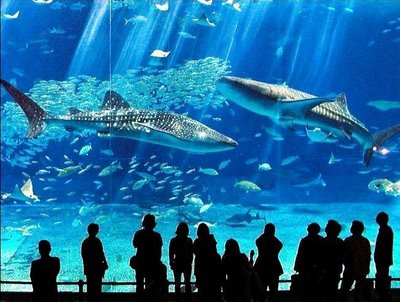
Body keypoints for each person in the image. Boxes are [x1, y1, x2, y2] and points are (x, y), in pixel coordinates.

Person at [339, 220, 371, 302]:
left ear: (352, 229)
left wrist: (345, 263)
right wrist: (367, 268)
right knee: (358, 291)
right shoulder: (366, 241)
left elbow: (344, 255)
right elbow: (368, 256)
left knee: (344, 289)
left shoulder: (348, 240)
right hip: (362, 268)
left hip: (350, 268)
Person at [133, 213, 163, 300]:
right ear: (154, 224)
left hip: (140, 262)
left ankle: (139, 299)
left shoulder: (138, 233)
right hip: (152, 263)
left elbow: (135, 244)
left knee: (139, 284)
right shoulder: (157, 236)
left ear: (143, 222)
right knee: (150, 284)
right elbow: (159, 250)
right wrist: (158, 262)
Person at [293, 222, 324, 302]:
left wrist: (297, 268)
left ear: (308, 230)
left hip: (305, 270)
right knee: (317, 291)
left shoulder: (304, 240)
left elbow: (299, 255)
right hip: (318, 270)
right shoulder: (321, 240)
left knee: (306, 293)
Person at [254, 223, 283, 302]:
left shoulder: (260, 241)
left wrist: (265, 235)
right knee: (274, 290)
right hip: (274, 267)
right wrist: (272, 237)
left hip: (261, 266)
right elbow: (280, 244)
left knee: (261, 289)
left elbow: (258, 240)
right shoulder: (276, 243)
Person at [193, 223, 222, 302]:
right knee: (212, 290)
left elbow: (195, 252)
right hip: (212, 270)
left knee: (202, 291)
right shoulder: (212, 240)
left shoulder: (197, 241)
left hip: (201, 270)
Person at [81, 223, 108, 302]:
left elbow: (84, 256)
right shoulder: (97, 241)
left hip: (89, 268)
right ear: (96, 231)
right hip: (98, 268)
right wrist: (105, 263)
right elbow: (101, 253)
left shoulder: (85, 242)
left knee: (90, 287)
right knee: (97, 287)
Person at [169, 222, 193, 302]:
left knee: (177, 283)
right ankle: (188, 299)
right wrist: (190, 262)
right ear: (187, 231)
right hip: (186, 264)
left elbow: (171, 253)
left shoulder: (173, 240)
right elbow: (191, 254)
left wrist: (171, 263)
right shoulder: (189, 240)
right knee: (187, 283)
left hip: (177, 263)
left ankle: (177, 299)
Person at [321, 220, 344, 302]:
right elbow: (343, 257)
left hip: (324, 271)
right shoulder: (340, 242)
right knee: (333, 292)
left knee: (323, 292)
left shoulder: (322, 241)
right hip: (336, 270)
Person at [374, 212, 393, 302]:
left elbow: (383, 246)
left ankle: (384, 296)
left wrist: (380, 258)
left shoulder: (385, 230)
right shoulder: (386, 229)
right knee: (382, 276)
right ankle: (383, 295)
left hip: (383, 260)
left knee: (382, 277)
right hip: (383, 259)